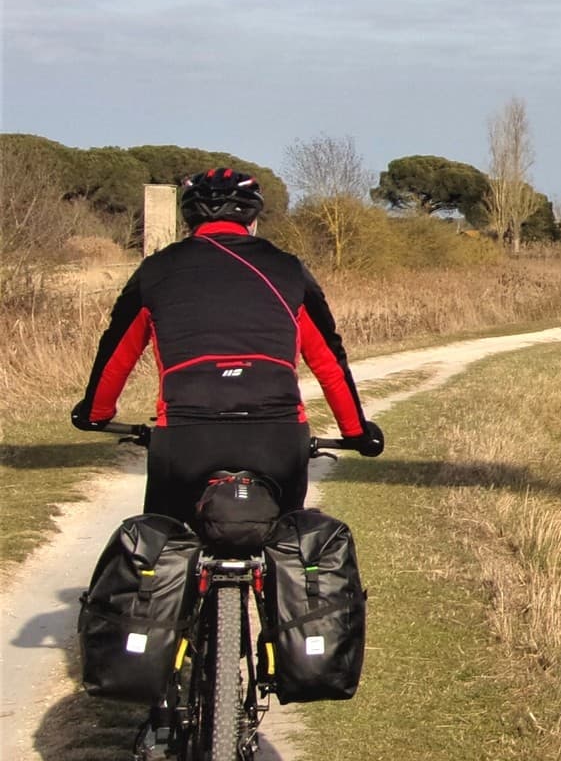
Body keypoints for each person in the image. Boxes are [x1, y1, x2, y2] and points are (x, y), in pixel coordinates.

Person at [72, 169, 384, 523]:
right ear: (252, 217)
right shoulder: (288, 270)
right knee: (282, 536)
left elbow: (117, 354)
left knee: (167, 539)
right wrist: (356, 431)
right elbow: (328, 360)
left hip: (186, 433)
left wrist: (94, 415)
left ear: (188, 218)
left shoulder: (156, 271)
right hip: (276, 434)